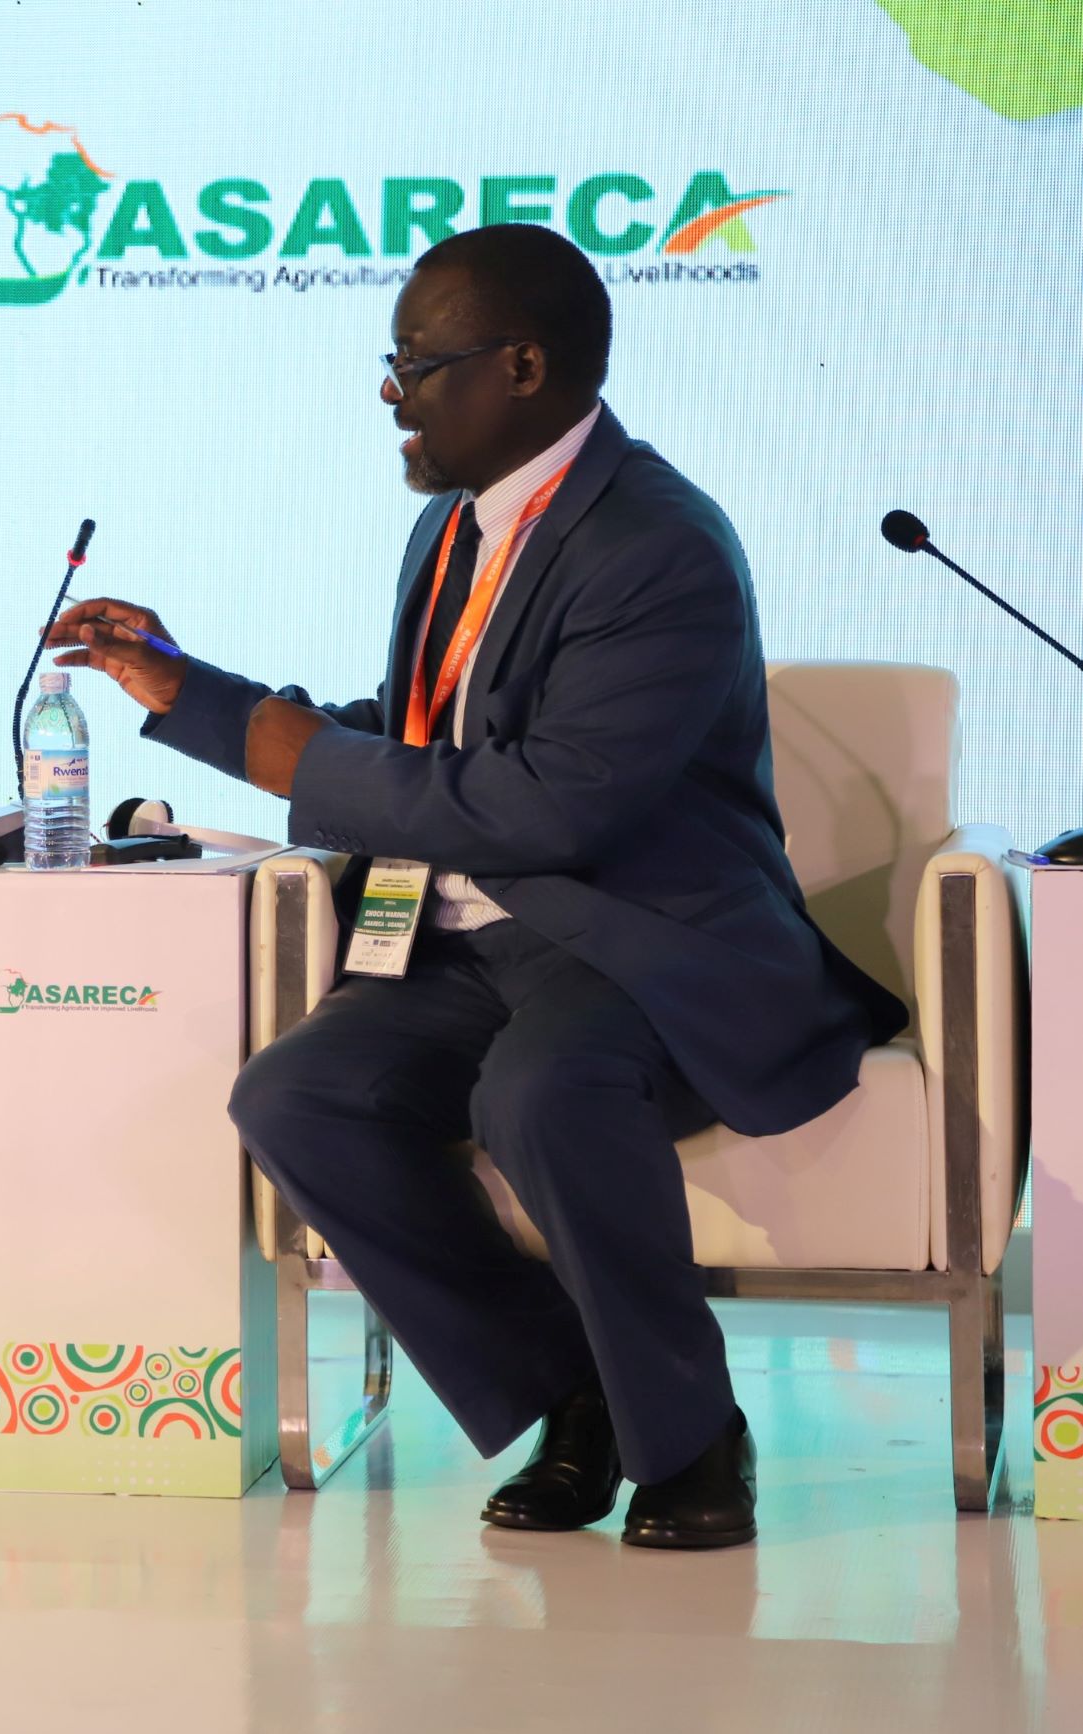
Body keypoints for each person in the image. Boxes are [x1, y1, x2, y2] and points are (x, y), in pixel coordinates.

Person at [50, 224, 904, 1550]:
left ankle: (689, 1435)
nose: (390, 393)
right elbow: (415, 729)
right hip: (454, 937)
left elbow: (553, 804)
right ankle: (574, 1395)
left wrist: (283, 755)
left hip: (630, 938)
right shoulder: (454, 526)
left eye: (416, 364)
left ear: (519, 366)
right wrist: (188, 687)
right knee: (296, 1097)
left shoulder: (659, 542)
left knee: (542, 1090)